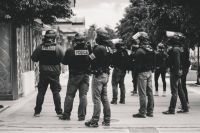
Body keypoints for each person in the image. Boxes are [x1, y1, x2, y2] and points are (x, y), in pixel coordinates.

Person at [31, 30, 64, 117]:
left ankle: (37, 112)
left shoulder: (40, 47)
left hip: (44, 73)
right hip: (55, 73)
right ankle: (59, 112)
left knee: (41, 92)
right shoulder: (58, 48)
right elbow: (64, 60)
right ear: (54, 38)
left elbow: (34, 58)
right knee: (56, 92)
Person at [59, 33, 91, 121]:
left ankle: (66, 115)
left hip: (74, 76)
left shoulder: (70, 50)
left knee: (70, 96)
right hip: (85, 76)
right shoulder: (88, 51)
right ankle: (81, 116)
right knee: (83, 96)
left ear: (75, 41)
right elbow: (92, 60)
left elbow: (64, 62)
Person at [85, 30, 111, 127]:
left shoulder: (98, 48)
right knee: (105, 98)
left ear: (98, 38)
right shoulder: (108, 48)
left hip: (98, 75)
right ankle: (107, 120)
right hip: (106, 75)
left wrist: (89, 50)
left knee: (96, 99)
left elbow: (90, 59)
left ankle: (95, 121)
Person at [163, 32, 189, 114]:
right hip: (177, 71)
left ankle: (171, 109)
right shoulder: (180, 49)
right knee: (180, 90)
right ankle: (185, 107)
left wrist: (177, 71)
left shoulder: (175, 50)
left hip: (175, 72)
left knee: (174, 91)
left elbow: (177, 62)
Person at [132, 32, 155, 118]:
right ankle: (150, 111)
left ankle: (142, 112)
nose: (137, 41)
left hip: (142, 73)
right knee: (150, 92)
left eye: (138, 39)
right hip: (149, 72)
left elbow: (137, 66)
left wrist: (135, 76)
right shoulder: (150, 48)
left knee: (142, 93)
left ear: (140, 40)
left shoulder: (139, 51)